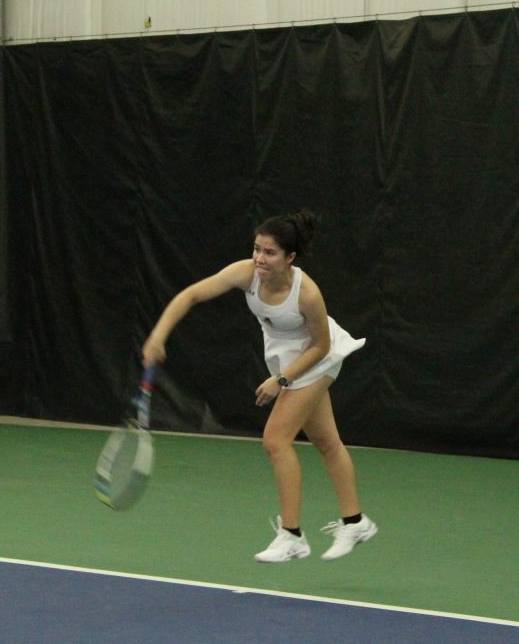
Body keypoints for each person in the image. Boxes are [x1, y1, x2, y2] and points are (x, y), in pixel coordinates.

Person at [141, 210, 377, 562]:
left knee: (275, 440)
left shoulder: (307, 293)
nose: (259, 258)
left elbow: (321, 347)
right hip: (286, 360)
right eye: (256, 249)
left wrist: (282, 380)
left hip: (316, 358)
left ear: (290, 258)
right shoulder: (246, 274)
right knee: (327, 442)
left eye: (269, 253)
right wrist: (158, 335)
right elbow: (191, 295)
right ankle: (355, 522)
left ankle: (292, 535)